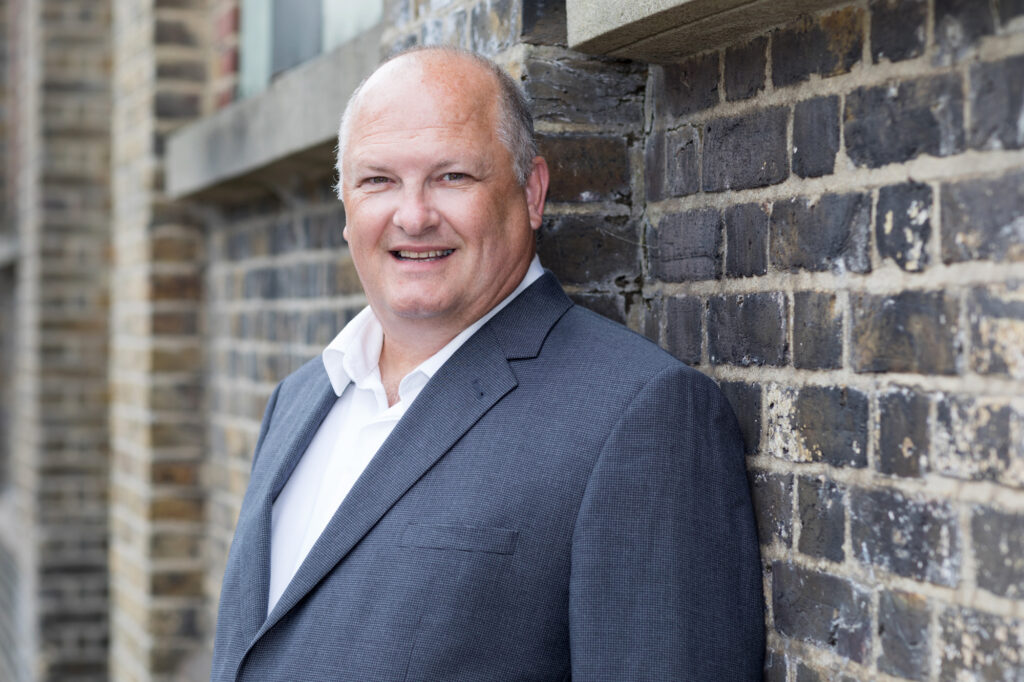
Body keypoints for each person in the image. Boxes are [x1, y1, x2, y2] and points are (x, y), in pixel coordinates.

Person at [211, 46, 764, 681]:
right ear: (346, 207)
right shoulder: (298, 399)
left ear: (531, 192)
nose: (413, 216)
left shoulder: (638, 415)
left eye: (452, 176)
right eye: (377, 180)